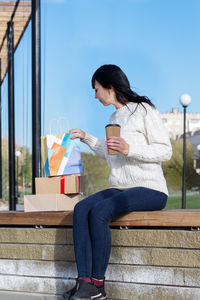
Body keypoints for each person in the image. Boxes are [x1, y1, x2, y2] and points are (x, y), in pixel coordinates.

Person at [63, 64, 172, 300]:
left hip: (150, 188)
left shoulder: (144, 110)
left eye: (96, 89)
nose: (94, 95)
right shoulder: (114, 117)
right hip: (120, 187)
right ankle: (84, 283)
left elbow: (165, 151)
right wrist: (86, 138)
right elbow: (110, 152)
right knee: (82, 208)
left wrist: (129, 148)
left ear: (109, 87)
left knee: (100, 211)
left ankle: (98, 285)